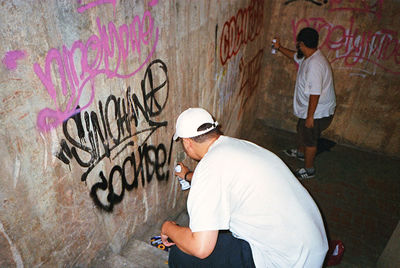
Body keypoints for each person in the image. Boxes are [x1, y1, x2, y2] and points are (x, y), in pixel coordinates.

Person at [161, 107, 328, 267]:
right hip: (313, 246)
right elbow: (218, 177)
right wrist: (188, 175)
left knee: (182, 255)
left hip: (287, 261)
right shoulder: (238, 146)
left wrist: (169, 227)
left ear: (187, 142)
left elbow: (201, 248)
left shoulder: (209, 169)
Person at [272, 27, 336, 179]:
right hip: (310, 110)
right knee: (302, 130)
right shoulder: (310, 56)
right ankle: (301, 154)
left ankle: (309, 170)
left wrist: (310, 117)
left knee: (309, 139)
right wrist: (279, 48)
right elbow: (295, 56)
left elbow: (315, 93)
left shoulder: (315, 65)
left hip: (317, 112)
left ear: (301, 43)